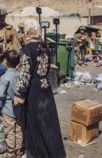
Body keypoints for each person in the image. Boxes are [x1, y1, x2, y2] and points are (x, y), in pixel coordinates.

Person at [13, 19, 66, 158]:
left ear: (28, 31)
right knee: (48, 123)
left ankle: (38, 154)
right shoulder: (45, 47)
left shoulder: (28, 49)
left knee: (34, 124)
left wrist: (19, 95)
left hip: (33, 91)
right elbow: (45, 68)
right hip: (45, 88)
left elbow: (25, 75)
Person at [0, 50, 23, 158]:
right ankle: (19, 151)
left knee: (10, 130)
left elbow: (1, 94)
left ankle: (11, 152)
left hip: (8, 107)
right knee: (19, 128)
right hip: (20, 106)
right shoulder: (21, 74)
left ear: (6, 61)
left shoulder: (5, 77)